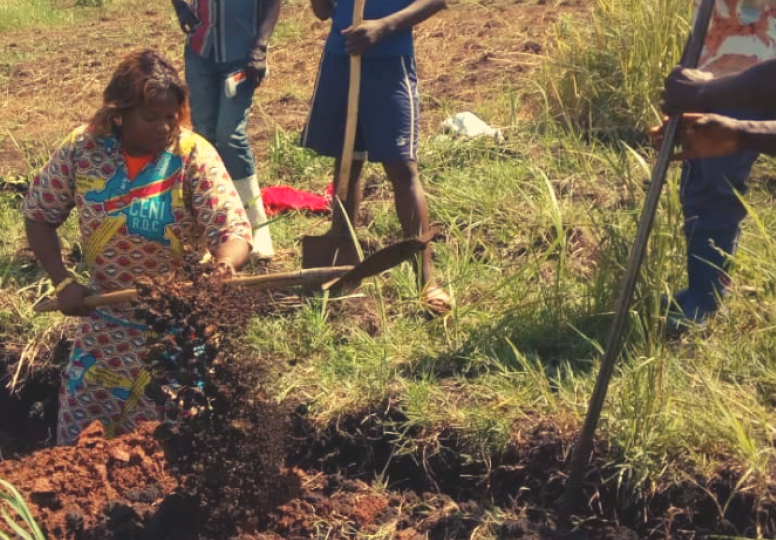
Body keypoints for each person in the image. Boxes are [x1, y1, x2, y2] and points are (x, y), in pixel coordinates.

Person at [22, 50, 253, 445]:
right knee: (80, 450)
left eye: (171, 116)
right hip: (104, 324)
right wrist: (63, 283)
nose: (164, 127)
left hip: (175, 330)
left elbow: (233, 230)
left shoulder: (192, 155)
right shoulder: (83, 149)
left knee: (168, 448)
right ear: (119, 114)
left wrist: (223, 268)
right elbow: (39, 214)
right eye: (151, 117)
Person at [650, 0, 776, 328]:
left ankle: (707, 301)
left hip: (753, 75)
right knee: (698, 181)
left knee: (716, 188)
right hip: (711, 64)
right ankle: (701, 288)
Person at [301, 0, 453, 313]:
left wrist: (385, 26)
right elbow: (323, 10)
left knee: (402, 168)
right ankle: (341, 263)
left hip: (389, 62)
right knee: (347, 162)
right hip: (341, 58)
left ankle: (427, 280)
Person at [172, 0, 281, 260]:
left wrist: (260, 47)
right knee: (203, 138)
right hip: (201, 52)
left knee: (230, 137)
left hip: (242, 55)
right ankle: (206, 233)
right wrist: (180, 7)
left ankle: (257, 227)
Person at [652, 36, 776, 163]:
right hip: (728, 72)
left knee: (718, 187)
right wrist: (740, 134)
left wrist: (705, 91)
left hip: (754, 64)